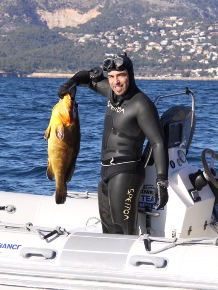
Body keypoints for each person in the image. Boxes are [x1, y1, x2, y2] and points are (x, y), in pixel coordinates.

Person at [58, 53, 169, 235]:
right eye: (111, 77)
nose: (115, 82)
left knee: (123, 231)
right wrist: (69, 84)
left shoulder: (142, 104)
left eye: (121, 76)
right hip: (105, 172)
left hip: (127, 173)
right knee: (108, 230)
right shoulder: (111, 93)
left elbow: (158, 142)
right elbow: (85, 78)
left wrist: (162, 182)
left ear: (130, 75)